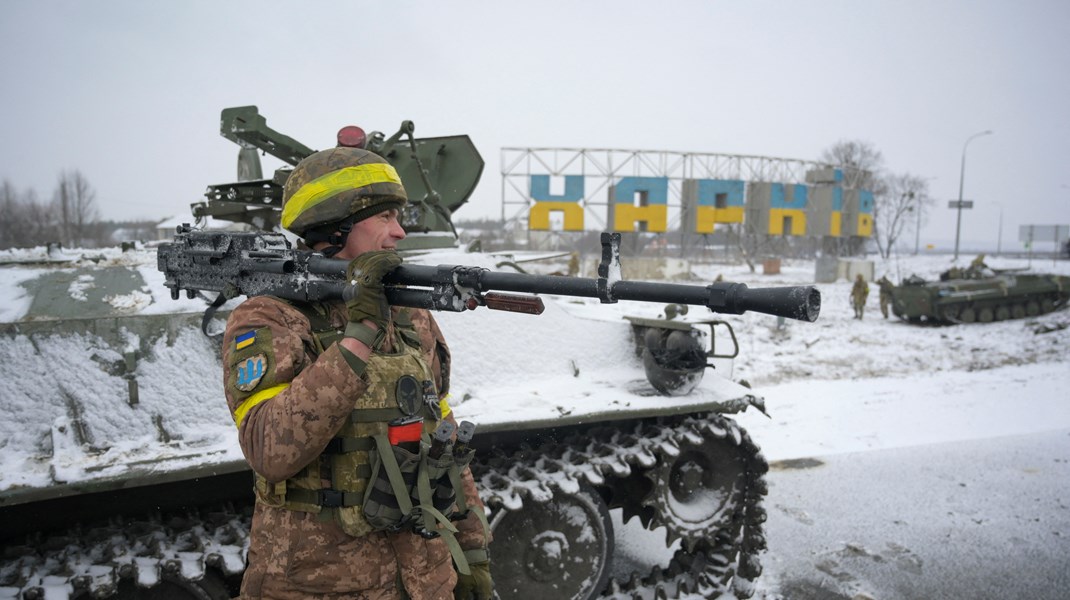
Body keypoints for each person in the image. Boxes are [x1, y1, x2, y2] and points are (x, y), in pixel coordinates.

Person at [222, 146, 492, 600]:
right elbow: (270, 449)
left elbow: (442, 439)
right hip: (319, 585)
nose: (400, 232)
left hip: (424, 580)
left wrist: (472, 552)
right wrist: (359, 333)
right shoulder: (269, 317)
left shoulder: (409, 314)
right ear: (337, 224)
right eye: (386, 216)